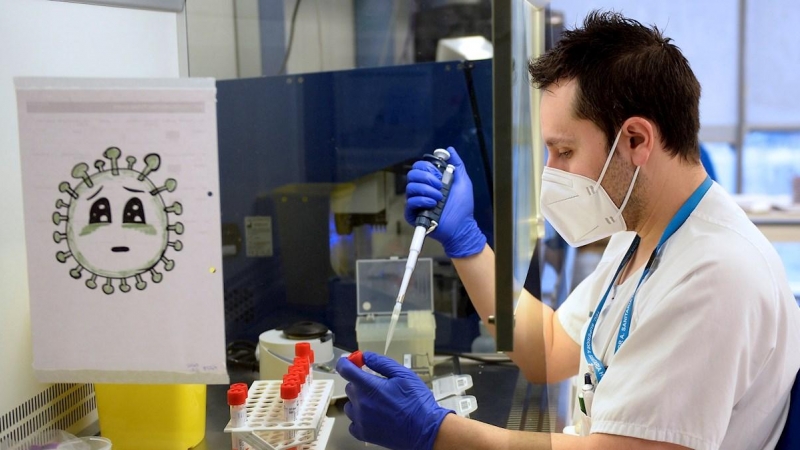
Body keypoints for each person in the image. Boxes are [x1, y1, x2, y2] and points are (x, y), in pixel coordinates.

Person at [336, 11, 800, 450]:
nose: (551, 172)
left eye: (563, 151)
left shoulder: (714, 276)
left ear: (635, 140)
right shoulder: (640, 232)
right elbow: (550, 351)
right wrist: (468, 243)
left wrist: (434, 432)